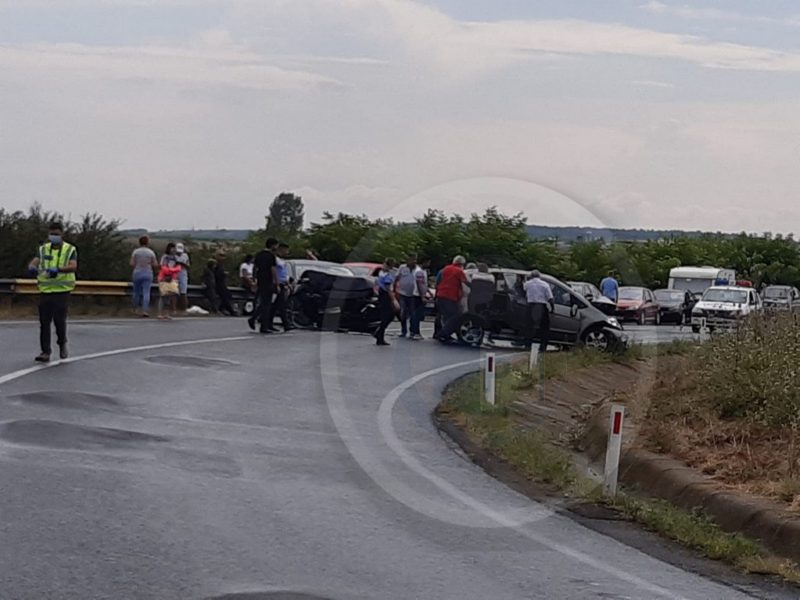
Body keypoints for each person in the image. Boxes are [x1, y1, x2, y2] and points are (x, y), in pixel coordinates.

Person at [27, 222, 78, 362]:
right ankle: (45, 351)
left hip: (62, 290)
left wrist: (59, 270)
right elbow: (35, 261)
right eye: (51, 234)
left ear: (62, 234)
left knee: (59, 320)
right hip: (45, 290)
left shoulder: (70, 249)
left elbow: (73, 266)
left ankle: (62, 343)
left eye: (56, 234)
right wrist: (32, 267)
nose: (54, 236)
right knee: (44, 322)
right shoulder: (43, 249)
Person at [436, 255, 468, 343]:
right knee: (456, 316)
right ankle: (442, 334)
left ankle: (447, 335)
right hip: (450, 296)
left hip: (441, 294)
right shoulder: (459, 271)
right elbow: (465, 283)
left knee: (447, 316)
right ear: (462, 264)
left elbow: (439, 281)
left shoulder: (445, 269)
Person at [395, 253, 426, 340]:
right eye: (412, 259)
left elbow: (421, 283)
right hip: (403, 293)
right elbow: (396, 278)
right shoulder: (402, 268)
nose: (414, 261)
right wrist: (394, 290)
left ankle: (413, 331)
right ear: (408, 260)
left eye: (415, 259)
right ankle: (403, 330)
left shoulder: (418, 270)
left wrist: (423, 294)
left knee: (413, 314)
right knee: (403, 313)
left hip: (413, 295)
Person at [251, 238, 278, 333]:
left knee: (263, 302)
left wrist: (254, 279)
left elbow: (254, 268)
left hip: (260, 281)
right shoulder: (271, 256)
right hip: (268, 281)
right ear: (273, 245)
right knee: (267, 304)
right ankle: (264, 326)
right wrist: (276, 282)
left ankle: (253, 318)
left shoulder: (259, 255)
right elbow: (273, 270)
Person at [524, 270, 555, 352]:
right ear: (539, 276)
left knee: (529, 326)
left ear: (531, 276)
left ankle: (527, 345)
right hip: (541, 306)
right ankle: (543, 346)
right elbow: (550, 298)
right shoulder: (545, 284)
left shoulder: (527, 284)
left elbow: (524, 292)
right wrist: (552, 308)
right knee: (544, 327)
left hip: (530, 306)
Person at [130, 235, 158, 318]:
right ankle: (145, 310)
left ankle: (135, 309)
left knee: (136, 292)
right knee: (146, 292)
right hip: (148, 273)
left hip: (137, 273)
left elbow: (131, 263)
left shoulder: (135, 252)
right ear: (147, 242)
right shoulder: (151, 252)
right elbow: (155, 264)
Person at [374, 258, 400, 346]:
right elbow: (388, 289)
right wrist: (394, 300)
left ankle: (379, 335)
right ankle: (379, 333)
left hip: (381, 294)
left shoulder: (381, 273)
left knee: (385, 316)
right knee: (388, 316)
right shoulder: (387, 276)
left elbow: (376, 283)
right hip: (386, 295)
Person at [268, 242, 293, 331]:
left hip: (283, 284)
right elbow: (274, 272)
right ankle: (286, 324)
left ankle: (269, 323)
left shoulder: (282, 261)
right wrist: (277, 283)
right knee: (281, 305)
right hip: (277, 284)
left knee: (276, 305)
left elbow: (283, 274)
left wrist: (288, 283)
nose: (287, 252)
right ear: (281, 249)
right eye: (286, 250)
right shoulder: (275, 260)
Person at [157, 243, 181, 320]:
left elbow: (178, 267)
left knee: (169, 296)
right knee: (163, 295)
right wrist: (170, 271)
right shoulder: (165, 257)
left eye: (174, 248)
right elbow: (163, 267)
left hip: (172, 278)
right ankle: (160, 313)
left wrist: (171, 271)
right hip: (163, 278)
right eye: (172, 248)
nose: (173, 250)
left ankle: (166, 313)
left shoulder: (175, 258)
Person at [214, 250, 236, 316]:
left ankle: (221, 309)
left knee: (228, 296)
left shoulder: (221, 265)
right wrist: (223, 274)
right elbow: (215, 274)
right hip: (217, 284)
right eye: (221, 256)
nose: (223, 258)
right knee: (225, 297)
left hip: (222, 283)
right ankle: (231, 311)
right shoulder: (215, 264)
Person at [175, 243, 190, 311]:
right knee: (175, 292)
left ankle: (184, 307)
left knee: (183, 292)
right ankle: (175, 307)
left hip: (183, 274)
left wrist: (182, 264)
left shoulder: (185, 256)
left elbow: (188, 266)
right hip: (175, 274)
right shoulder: (173, 256)